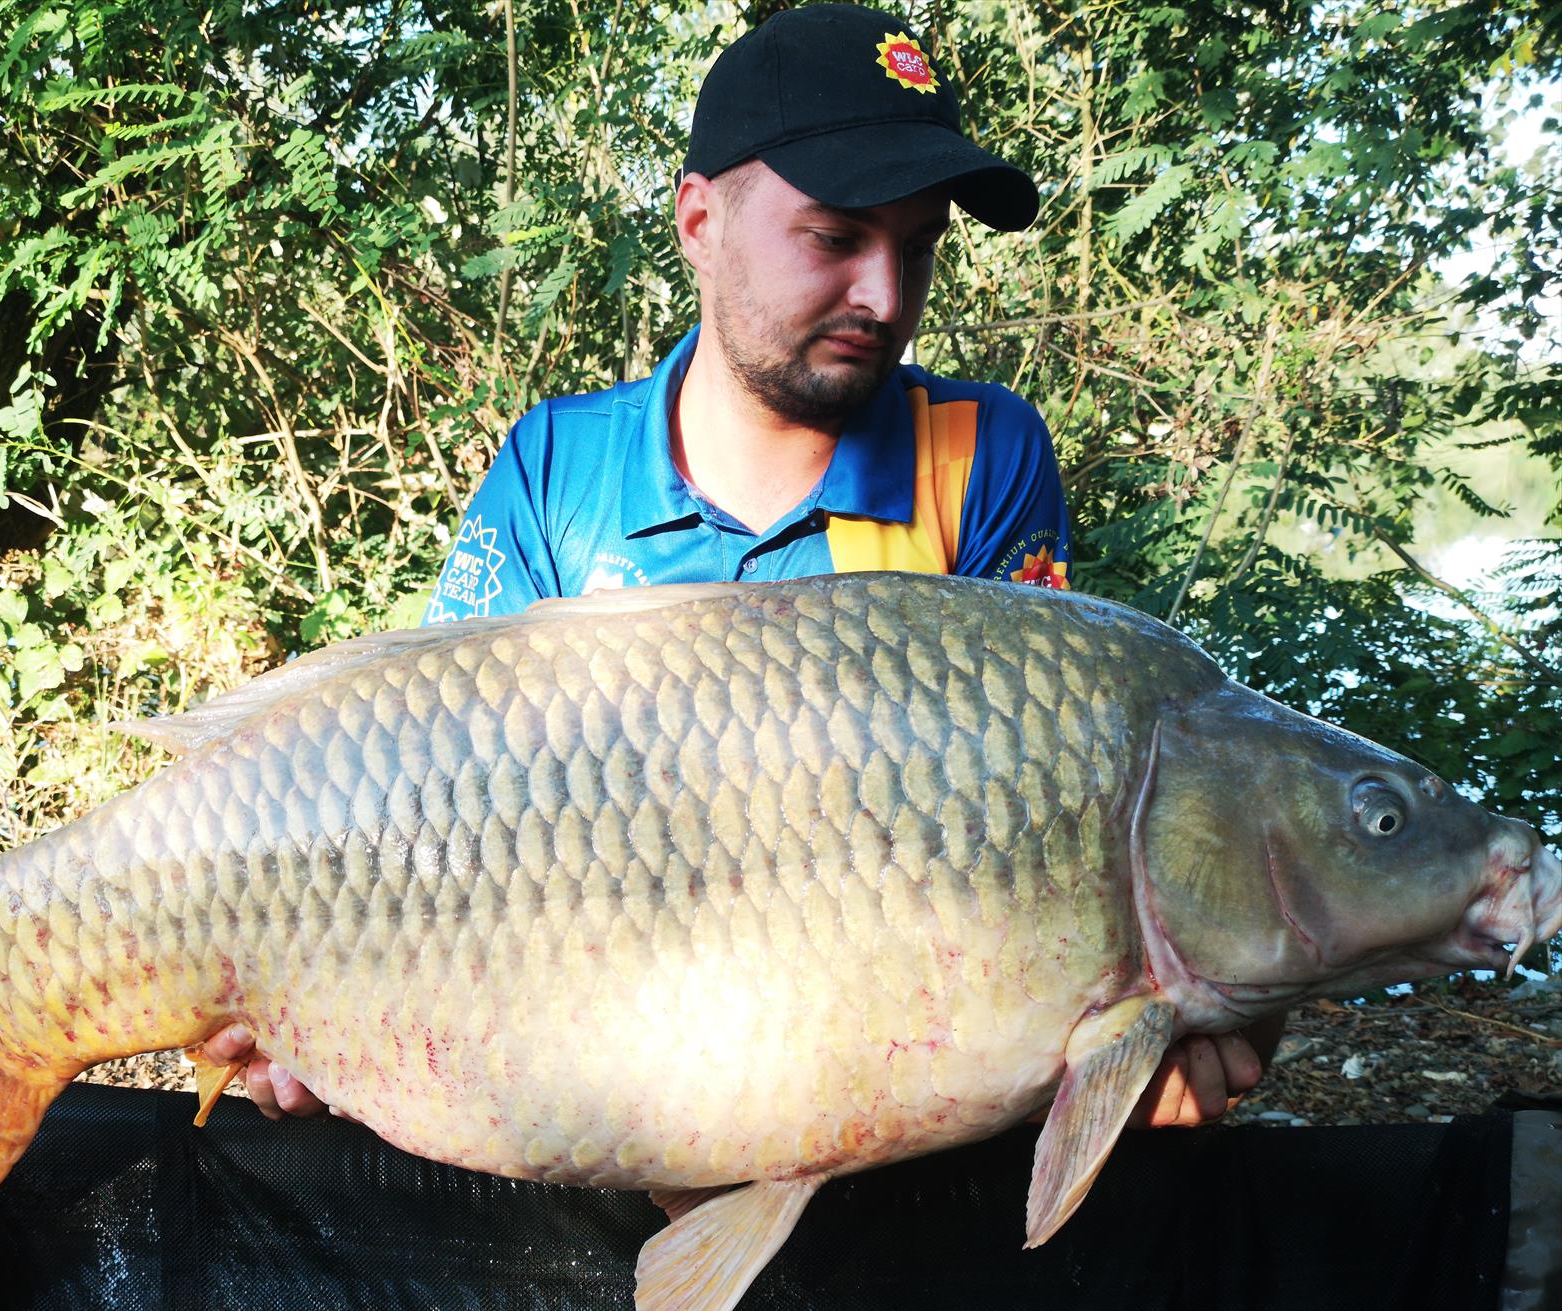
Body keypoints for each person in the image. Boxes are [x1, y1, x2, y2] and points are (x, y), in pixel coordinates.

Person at [207, 3, 1278, 1124]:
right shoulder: (556, 470)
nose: (886, 298)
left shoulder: (981, 456)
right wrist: (329, 1010)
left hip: (873, 1086)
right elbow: (429, 806)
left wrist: (1152, 1021)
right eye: (836, 238)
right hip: (592, 1077)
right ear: (699, 221)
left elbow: (1045, 836)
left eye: (918, 249)